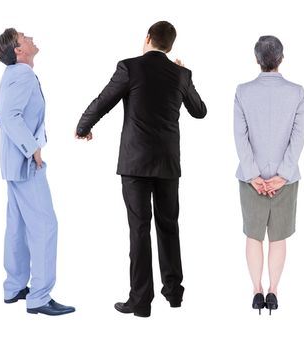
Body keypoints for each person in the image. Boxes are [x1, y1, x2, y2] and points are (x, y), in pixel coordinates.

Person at [75, 21, 207, 318]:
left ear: (147, 38)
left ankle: (141, 302)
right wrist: (185, 78)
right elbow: (200, 111)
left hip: (135, 164)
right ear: (170, 46)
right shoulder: (180, 74)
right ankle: (174, 295)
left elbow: (103, 101)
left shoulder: (129, 67)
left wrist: (83, 127)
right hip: (168, 164)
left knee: (139, 229)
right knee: (169, 226)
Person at [0, 28, 75, 316]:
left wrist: (19, 145)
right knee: (45, 225)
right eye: (23, 36)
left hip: (12, 163)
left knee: (17, 225)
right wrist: (32, 148)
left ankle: (14, 286)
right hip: (27, 164)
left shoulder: (10, 75)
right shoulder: (23, 75)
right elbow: (9, 116)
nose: (29, 36)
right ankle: (39, 296)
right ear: (19, 50)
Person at [232, 35, 304, 315]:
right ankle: (273, 290)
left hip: (252, 178)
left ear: (257, 60)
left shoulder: (243, 91)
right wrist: (283, 174)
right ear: (281, 59)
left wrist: (252, 174)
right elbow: (298, 138)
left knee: (253, 236)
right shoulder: (296, 92)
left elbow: (240, 137)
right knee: (278, 238)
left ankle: (257, 291)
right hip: (284, 178)